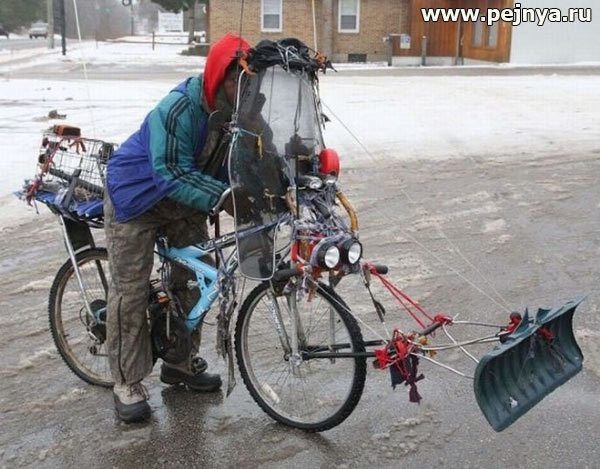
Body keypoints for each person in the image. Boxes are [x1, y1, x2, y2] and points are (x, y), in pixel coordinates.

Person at [104, 34, 250, 423]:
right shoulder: (178, 109)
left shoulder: (236, 114)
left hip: (185, 201)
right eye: (234, 81)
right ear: (217, 77)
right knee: (130, 291)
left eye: (246, 82)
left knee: (198, 278)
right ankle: (126, 381)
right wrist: (223, 197)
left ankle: (179, 362)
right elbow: (170, 172)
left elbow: (253, 156)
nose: (241, 90)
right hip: (136, 199)